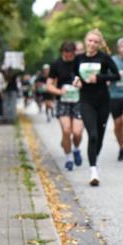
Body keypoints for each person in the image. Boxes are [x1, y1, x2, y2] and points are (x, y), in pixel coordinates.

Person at [73, 29, 119, 186]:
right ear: (86, 41)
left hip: (103, 101)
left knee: (99, 135)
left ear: (99, 44)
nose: (92, 44)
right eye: (90, 41)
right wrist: (76, 81)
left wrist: (99, 78)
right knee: (92, 134)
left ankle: (95, 159)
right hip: (86, 100)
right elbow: (73, 75)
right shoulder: (78, 59)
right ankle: (93, 170)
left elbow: (116, 75)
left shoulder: (104, 58)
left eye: (95, 42)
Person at [45, 41, 84, 171]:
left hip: (78, 100)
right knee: (66, 130)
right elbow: (49, 84)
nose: (68, 58)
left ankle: (76, 149)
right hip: (63, 101)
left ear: (74, 52)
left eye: (71, 55)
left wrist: (80, 83)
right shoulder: (56, 64)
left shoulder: (79, 61)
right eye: (66, 55)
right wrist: (59, 91)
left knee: (77, 132)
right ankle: (68, 158)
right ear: (62, 52)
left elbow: (86, 78)